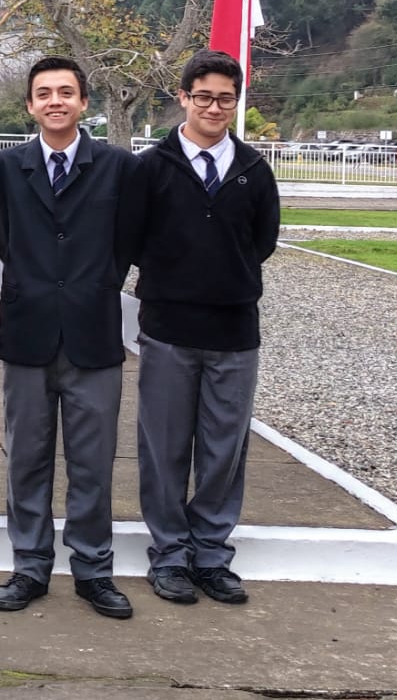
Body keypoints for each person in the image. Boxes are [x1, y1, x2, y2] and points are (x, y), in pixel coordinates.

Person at [0, 57, 137, 620]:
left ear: (83, 102)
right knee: (27, 457)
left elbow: (125, 244)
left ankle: (94, 570)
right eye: (43, 93)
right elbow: (6, 240)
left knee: (93, 462)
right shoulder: (5, 168)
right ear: (29, 104)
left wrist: (92, 287)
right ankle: (29, 567)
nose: (55, 101)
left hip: (94, 333)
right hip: (28, 333)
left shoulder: (118, 167)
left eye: (66, 92)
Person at [134, 49, 279, 606]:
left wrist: (225, 278)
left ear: (235, 102)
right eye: (203, 97)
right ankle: (169, 556)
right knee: (164, 447)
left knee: (224, 449)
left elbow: (261, 241)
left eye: (224, 98)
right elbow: (133, 238)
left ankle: (212, 556)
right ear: (183, 98)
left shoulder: (253, 171)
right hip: (168, 328)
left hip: (234, 331)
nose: (214, 107)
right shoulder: (152, 168)